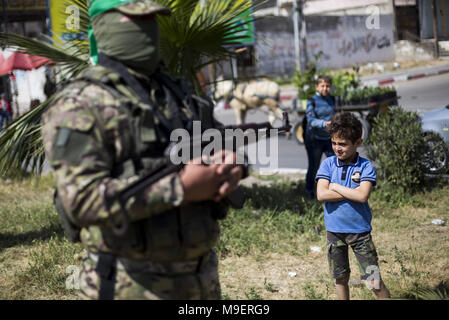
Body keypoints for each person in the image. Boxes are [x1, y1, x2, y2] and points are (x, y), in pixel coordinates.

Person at [41, 0, 247, 300]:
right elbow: (81, 201)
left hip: (200, 279)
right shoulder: (81, 104)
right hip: (129, 283)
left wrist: (232, 164)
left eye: (152, 19)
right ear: (104, 27)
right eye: (137, 20)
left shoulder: (178, 93)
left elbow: (220, 143)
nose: (148, 31)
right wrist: (180, 188)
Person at [316, 112, 390, 300]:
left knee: (373, 280)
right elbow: (321, 194)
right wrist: (351, 192)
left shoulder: (365, 167)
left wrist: (336, 186)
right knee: (340, 278)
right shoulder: (327, 165)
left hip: (360, 233)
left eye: (343, 144)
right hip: (334, 232)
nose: (337, 148)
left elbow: (363, 195)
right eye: (334, 143)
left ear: (358, 142)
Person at [304, 75, 336, 199]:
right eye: (322, 86)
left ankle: (332, 191)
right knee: (314, 166)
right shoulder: (311, 101)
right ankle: (309, 190)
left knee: (334, 165)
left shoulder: (332, 99)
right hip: (314, 139)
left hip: (329, 139)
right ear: (317, 87)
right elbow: (311, 120)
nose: (325, 88)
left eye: (328, 86)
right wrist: (324, 124)